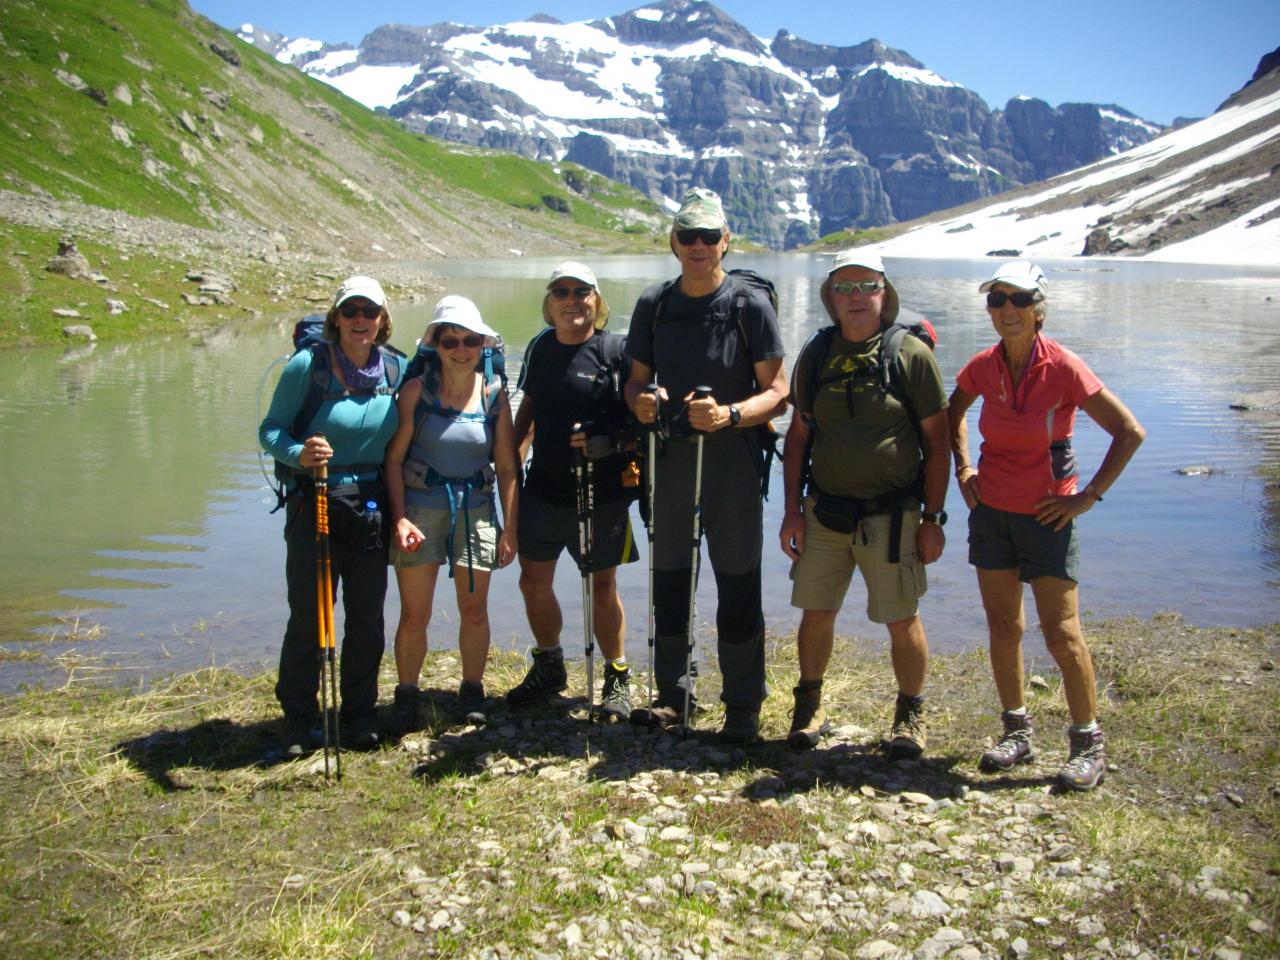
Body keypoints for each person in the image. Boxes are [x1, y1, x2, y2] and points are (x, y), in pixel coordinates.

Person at [948, 261, 1145, 791]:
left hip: (1047, 515)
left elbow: (1129, 432)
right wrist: (963, 469)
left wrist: (1087, 498)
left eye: (1018, 299)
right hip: (991, 514)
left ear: (1040, 308)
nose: (1006, 309)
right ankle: (1017, 732)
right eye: (996, 300)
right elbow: (955, 409)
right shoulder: (984, 365)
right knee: (1004, 627)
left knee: (1061, 633)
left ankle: (1089, 743)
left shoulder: (1064, 367)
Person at [624, 188, 788, 744]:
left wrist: (730, 414)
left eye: (708, 237)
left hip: (732, 463)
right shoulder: (655, 304)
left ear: (726, 242)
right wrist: (640, 400)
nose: (698, 246)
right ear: (673, 242)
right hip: (670, 459)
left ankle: (743, 703)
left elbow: (779, 393)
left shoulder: (749, 306)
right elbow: (634, 381)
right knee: (669, 576)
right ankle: (674, 695)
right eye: (687, 236)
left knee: (738, 580)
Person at [780, 251, 950, 756]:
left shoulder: (910, 355)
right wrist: (792, 511)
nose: (856, 297)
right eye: (845, 288)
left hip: (894, 516)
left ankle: (910, 716)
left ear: (884, 292)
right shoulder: (817, 353)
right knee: (816, 612)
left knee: (902, 617)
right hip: (826, 511)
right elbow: (798, 438)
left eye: (867, 286)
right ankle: (809, 707)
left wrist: (934, 519)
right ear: (831, 297)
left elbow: (939, 444)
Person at [259, 276, 400, 756]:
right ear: (337, 317)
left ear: (382, 319)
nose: (360, 319)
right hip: (314, 499)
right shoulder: (308, 365)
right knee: (310, 615)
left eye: (370, 310)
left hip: (371, 506)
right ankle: (299, 717)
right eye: (351, 310)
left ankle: (360, 713)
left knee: (367, 616)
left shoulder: (395, 369)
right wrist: (299, 453)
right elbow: (271, 430)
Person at [505, 263, 640, 719]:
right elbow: (531, 407)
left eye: (581, 291)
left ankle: (617, 676)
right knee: (533, 580)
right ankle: (549, 664)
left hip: (601, 493)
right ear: (549, 302)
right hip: (543, 489)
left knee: (602, 585)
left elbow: (643, 422)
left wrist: (614, 441)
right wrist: (509, 463)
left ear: (596, 300)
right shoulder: (542, 347)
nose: (571, 300)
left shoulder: (616, 351)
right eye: (560, 292)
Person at [384, 296, 519, 732]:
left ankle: (472, 690)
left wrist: (509, 528)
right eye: (450, 340)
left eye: (470, 339)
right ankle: (407, 693)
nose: (461, 348)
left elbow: (506, 466)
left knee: (474, 610)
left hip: (476, 511)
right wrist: (399, 517)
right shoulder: (416, 392)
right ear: (435, 344)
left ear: (483, 343)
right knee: (414, 614)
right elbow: (393, 461)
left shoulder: (494, 393)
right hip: (421, 509)